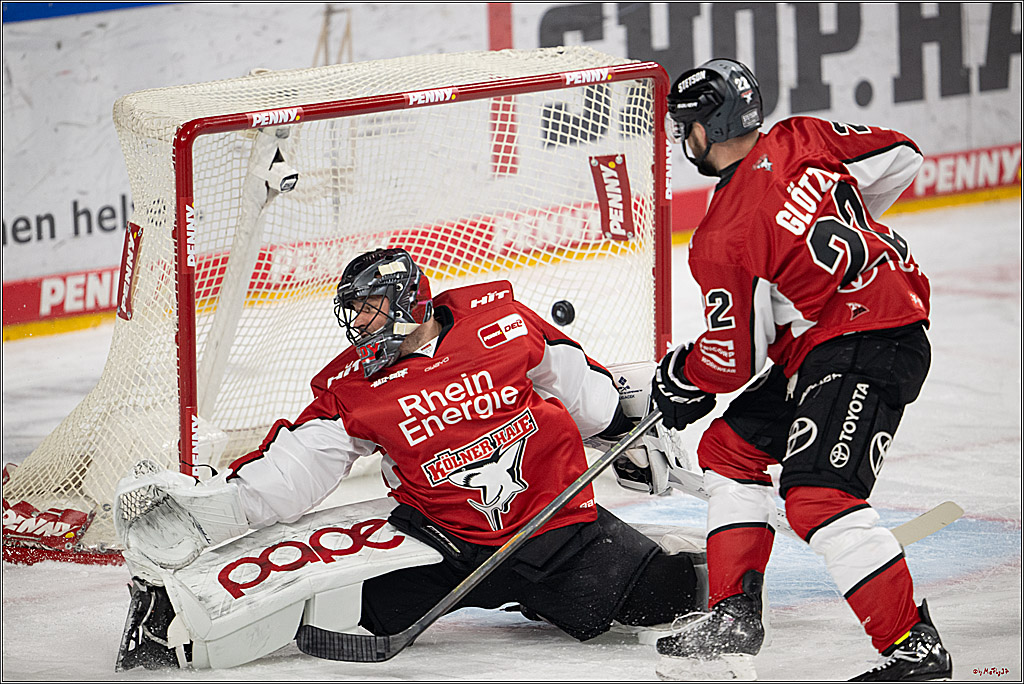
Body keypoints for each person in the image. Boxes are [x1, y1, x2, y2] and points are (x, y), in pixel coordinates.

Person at [116, 247, 706, 670]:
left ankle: (732, 573)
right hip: (441, 544)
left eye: (370, 307)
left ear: (408, 299)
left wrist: (617, 417)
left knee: (672, 597)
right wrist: (221, 506)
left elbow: (580, 389)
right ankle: (162, 613)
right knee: (339, 612)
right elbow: (301, 466)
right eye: (354, 311)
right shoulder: (355, 386)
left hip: (557, 529)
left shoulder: (499, 323)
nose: (358, 324)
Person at [649, 58, 952, 681]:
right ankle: (734, 612)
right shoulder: (802, 136)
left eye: (689, 128)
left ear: (709, 127)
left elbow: (732, 360)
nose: (686, 142)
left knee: (819, 496)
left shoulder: (721, 235)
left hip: (869, 337)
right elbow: (903, 155)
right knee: (729, 449)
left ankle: (913, 648)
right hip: (847, 329)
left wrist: (681, 375)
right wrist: (833, 237)